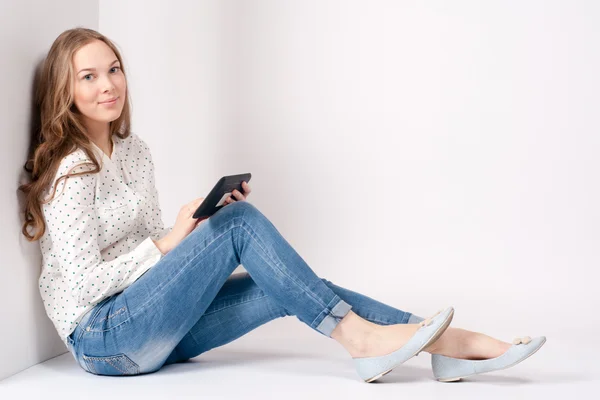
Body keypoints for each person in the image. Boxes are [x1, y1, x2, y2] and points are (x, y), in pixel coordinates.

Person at [19, 27, 545, 383]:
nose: (108, 85)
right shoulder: (70, 168)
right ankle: (363, 341)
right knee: (241, 222)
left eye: (113, 69)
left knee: (294, 285)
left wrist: (194, 229)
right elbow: (86, 284)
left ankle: (445, 345)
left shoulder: (134, 151)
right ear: (64, 90)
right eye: (88, 77)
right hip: (104, 339)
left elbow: (156, 255)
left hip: (153, 325)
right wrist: (170, 241)